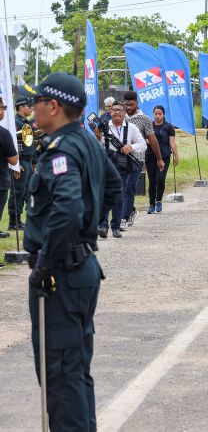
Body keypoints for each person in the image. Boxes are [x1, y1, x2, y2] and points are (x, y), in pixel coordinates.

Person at [26, 72, 122, 431]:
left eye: (37, 101)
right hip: (79, 268)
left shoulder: (63, 149)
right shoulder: (86, 141)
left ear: (53, 106)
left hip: (61, 275)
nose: (32, 107)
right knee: (74, 371)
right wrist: (89, 229)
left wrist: (46, 263)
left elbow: (67, 208)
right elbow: (113, 186)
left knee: (61, 376)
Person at [96, 102, 146, 238]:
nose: (117, 112)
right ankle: (103, 226)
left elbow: (143, 144)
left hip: (123, 165)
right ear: (110, 112)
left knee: (119, 195)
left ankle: (116, 227)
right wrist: (98, 138)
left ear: (124, 113)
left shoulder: (132, 128)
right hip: (106, 163)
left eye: (120, 110)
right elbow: (97, 146)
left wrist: (131, 147)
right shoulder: (104, 127)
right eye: (114, 110)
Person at [122, 90, 164, 229]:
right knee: (120, 188)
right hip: (119, 160)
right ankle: (131, 209)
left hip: (137, 159)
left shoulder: (144, 119)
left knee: (129, 186)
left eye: (131, 104)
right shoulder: (119, 116)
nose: (128, 107)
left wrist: (159, 159)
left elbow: (152, 140)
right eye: (126, 104)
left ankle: (124, 218)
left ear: (137, 103)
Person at [146, 105, 178, 214]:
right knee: (152, 180)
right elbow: (144, 138)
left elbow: (172, 142)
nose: (157, 116)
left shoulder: (168, 127)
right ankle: (151, 204)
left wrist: (176, 155)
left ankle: (158, 200)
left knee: (160, 178)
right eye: (155, 114)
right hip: (151, 156)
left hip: (164, 156)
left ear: (163, 114)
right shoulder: (149, 126)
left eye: (160, 114)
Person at [8, 95, 34, 230]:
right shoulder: (15, 123)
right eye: (29, 106)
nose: (32, 108)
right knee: (17, 191)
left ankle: (18, 219)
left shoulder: (25, 122)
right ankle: (13, 221)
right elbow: (12, 145)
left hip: (28, 161)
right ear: (21, 107)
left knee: (25, 192)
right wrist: (16, 165)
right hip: (20, 161)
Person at [0, 97, 19, 239]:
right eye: (1, 108)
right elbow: (13, 160)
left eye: (3, 108)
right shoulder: (4, 133)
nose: (2, 111)